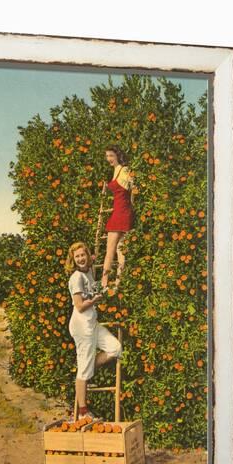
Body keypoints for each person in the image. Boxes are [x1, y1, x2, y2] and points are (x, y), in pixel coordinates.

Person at [65, 241, 123, 420]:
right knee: (83, 370)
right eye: (77, 257)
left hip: (93, 324)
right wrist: (95, 300)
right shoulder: (76, 278)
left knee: (115, 348)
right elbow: (80, 306)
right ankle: (83, 411)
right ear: (73, 260)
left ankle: (88, 367)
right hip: (82, 326)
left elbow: (94, 264)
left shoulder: (88, 270)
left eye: (83, 255)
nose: (81, 259)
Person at [101, 145, 136, 290]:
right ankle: (117, 283)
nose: (108, 159)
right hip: (122, 211)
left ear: (117, 156)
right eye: (107, 156)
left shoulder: (124, 169)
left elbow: (131, 189)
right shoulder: (116, 170)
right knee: (119, 250)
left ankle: (104, 284)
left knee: (112, 250)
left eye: (111, 156)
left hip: (121, 212)